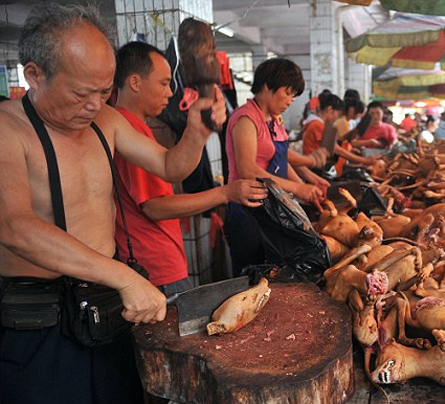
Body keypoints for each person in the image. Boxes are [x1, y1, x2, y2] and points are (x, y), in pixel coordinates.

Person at [0, 4, 221, 404]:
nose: (94, 105)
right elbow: (16, 227)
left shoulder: (108, 120)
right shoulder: (7, 130)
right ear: (34, 74)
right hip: (38, 315)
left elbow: (170, 166)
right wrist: (124, 276)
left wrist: (198, 131)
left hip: (105, 305)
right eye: (81, 93)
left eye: (104, 92)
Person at [112, 42, 267, 297]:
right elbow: (155, 206)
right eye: (163, 83)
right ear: (135, 82)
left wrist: (199, 131)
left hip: (157, 262)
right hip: (154, 267)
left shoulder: (137, 128)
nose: (170, 93)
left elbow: (173, 167)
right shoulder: (127, 128)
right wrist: (226, 193)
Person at [226, 58, 323, 275]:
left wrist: (303, 188)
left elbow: (279, 160)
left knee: (274, 274)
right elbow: (248, 171)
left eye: (293, 95)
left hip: (271, 207)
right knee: (251, 273)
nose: (290, 101)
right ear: (268, 87)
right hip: (248, 209)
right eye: (287, 93)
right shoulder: (246, 119)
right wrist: (297, 188)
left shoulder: (270, 120)